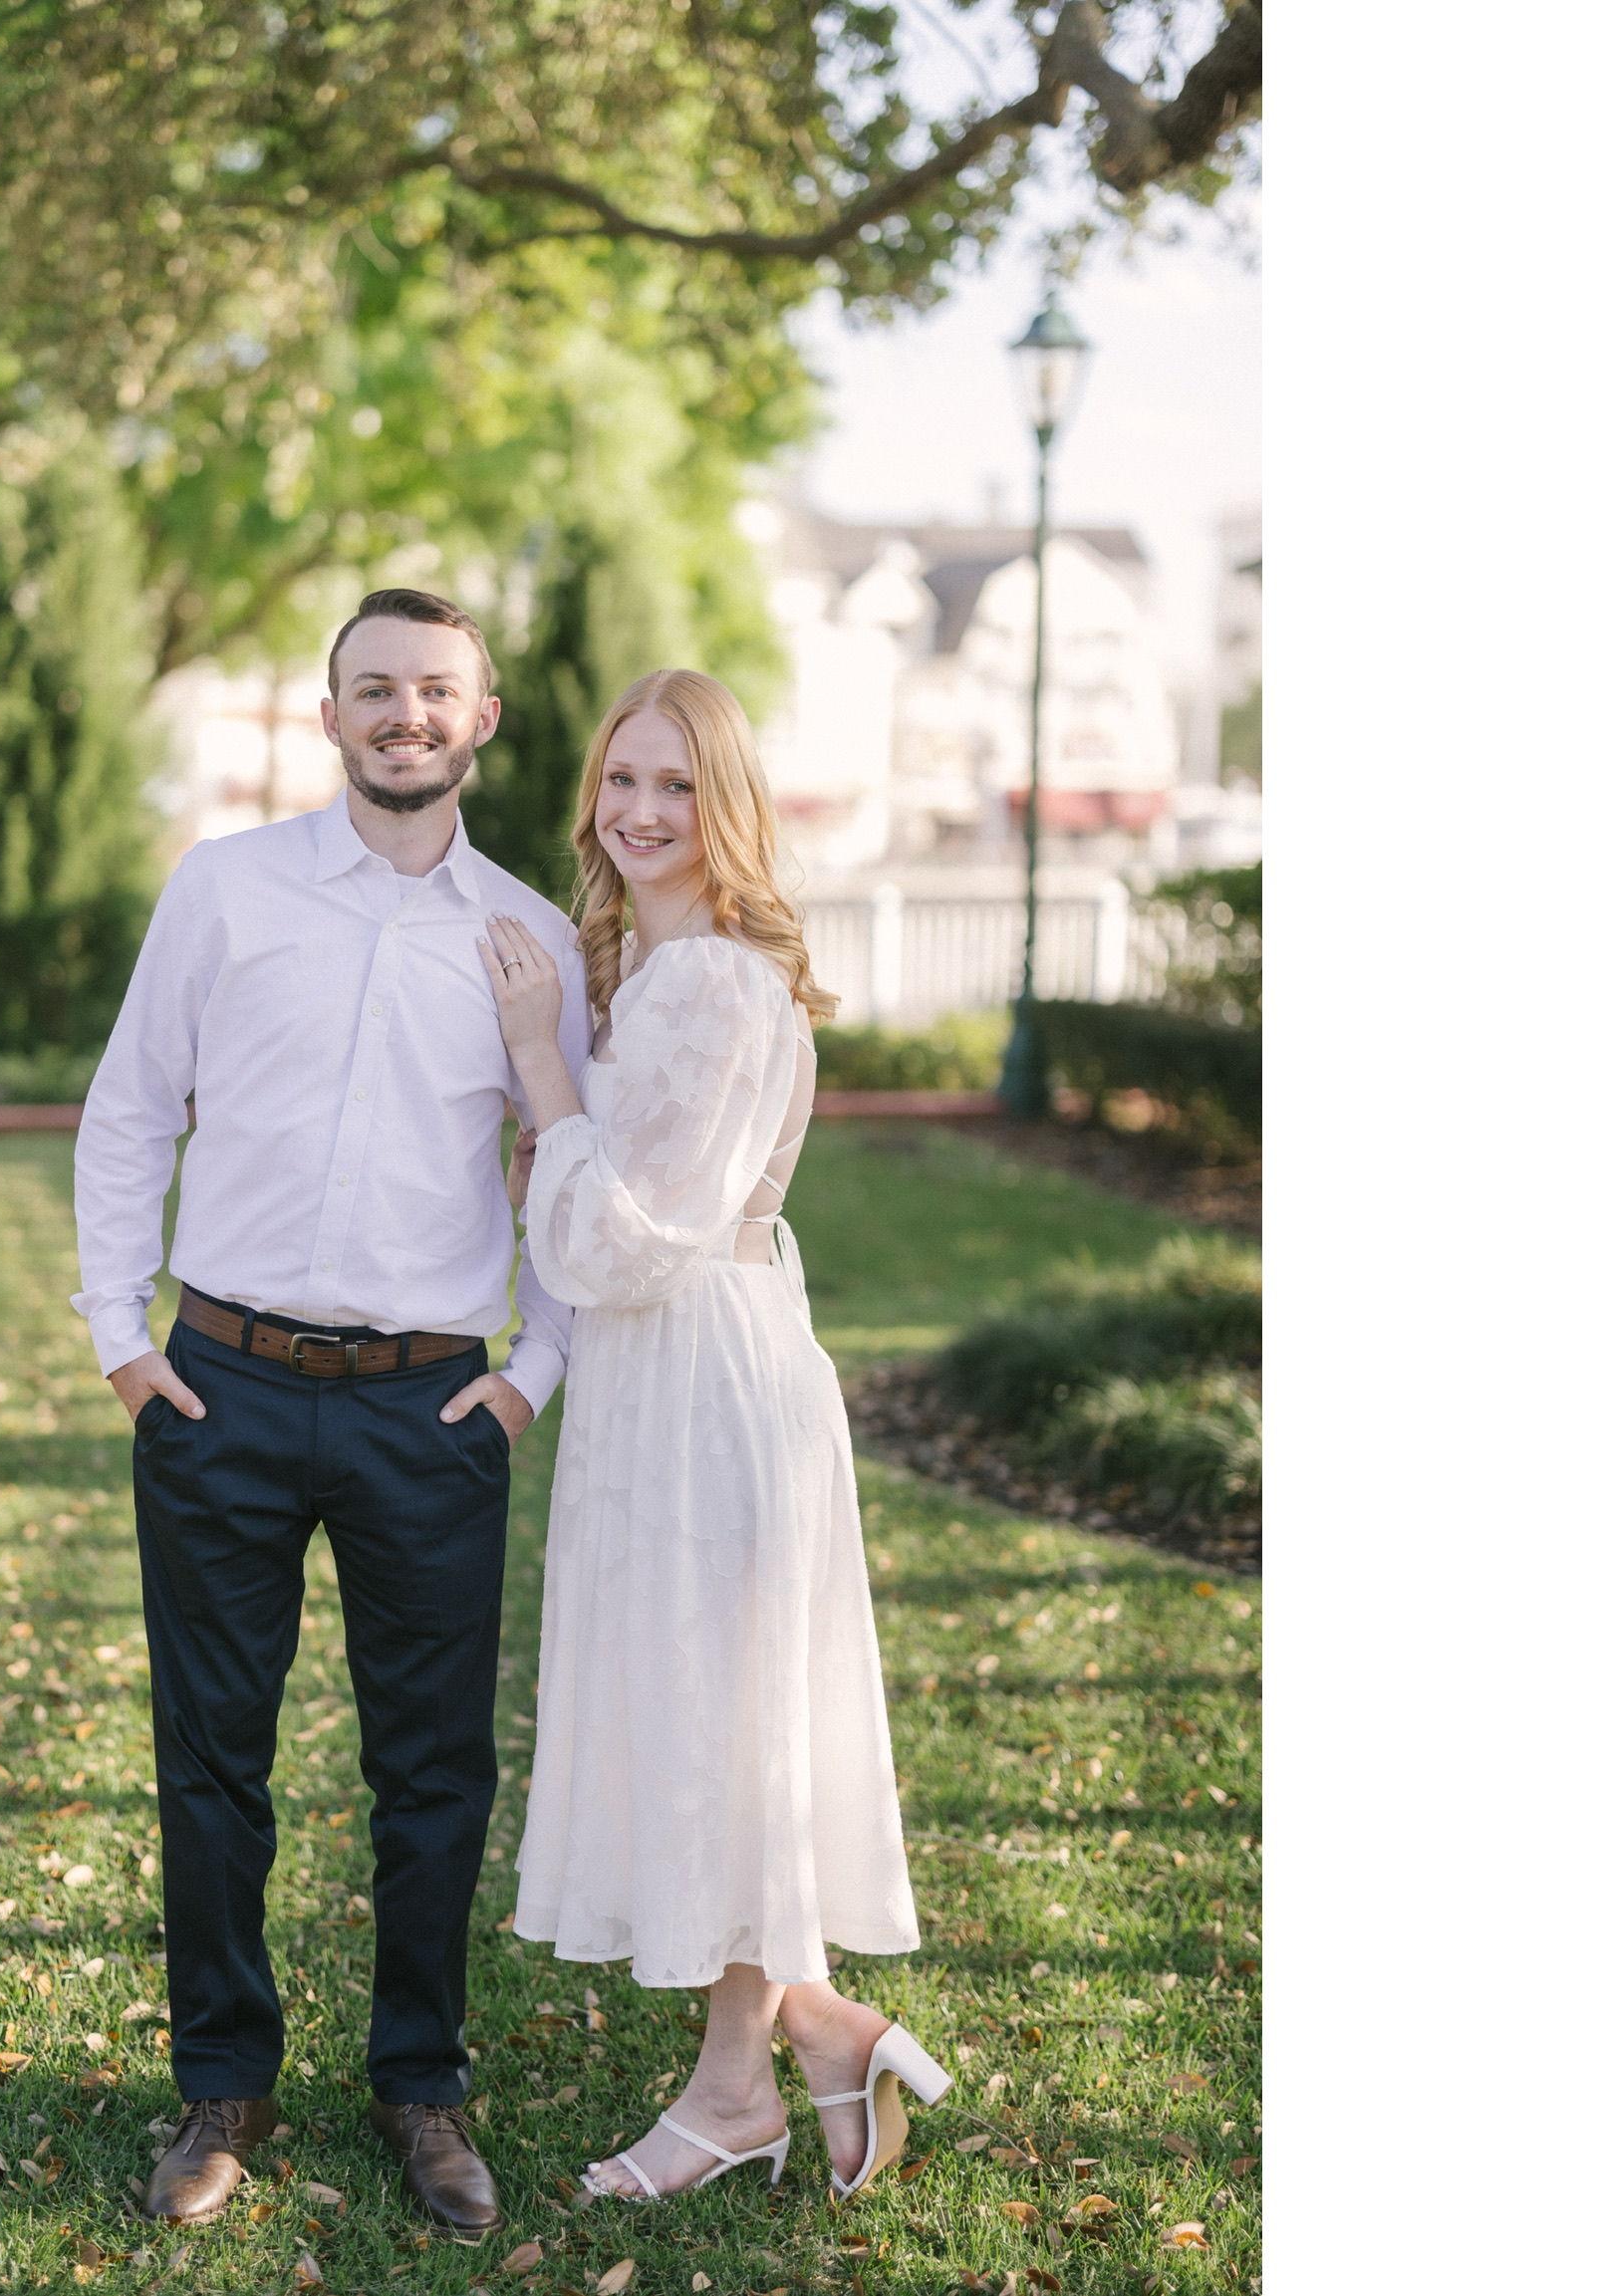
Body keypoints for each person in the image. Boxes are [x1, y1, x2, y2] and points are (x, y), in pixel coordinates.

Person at [72, 589, 591, 2238]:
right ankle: (222, 2081)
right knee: (209, 1759)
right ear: (330, 714)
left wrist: (532, 1373)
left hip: (427, 1412)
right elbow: (129, 1108)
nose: (405, 716)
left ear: (481, 716)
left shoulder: (530, 942)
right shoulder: (225, 891)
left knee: (430, 1769)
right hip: (217, 1387)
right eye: (375, 689)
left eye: (435, 690)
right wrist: (118, 1338)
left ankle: (420, 2085)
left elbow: (569, 1171)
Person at [479, 667, 950, 2205]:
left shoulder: (705, 983)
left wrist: (544, 1062)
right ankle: (819, 2033)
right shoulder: (668, 968)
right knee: (709, 1718)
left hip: (699, 1381)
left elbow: (619, 1244)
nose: (638, 812)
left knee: (721, 1723)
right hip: (683, 1373)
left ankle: (736, 2083)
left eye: (675, 785)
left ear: (726, 803)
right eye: (620, 781)